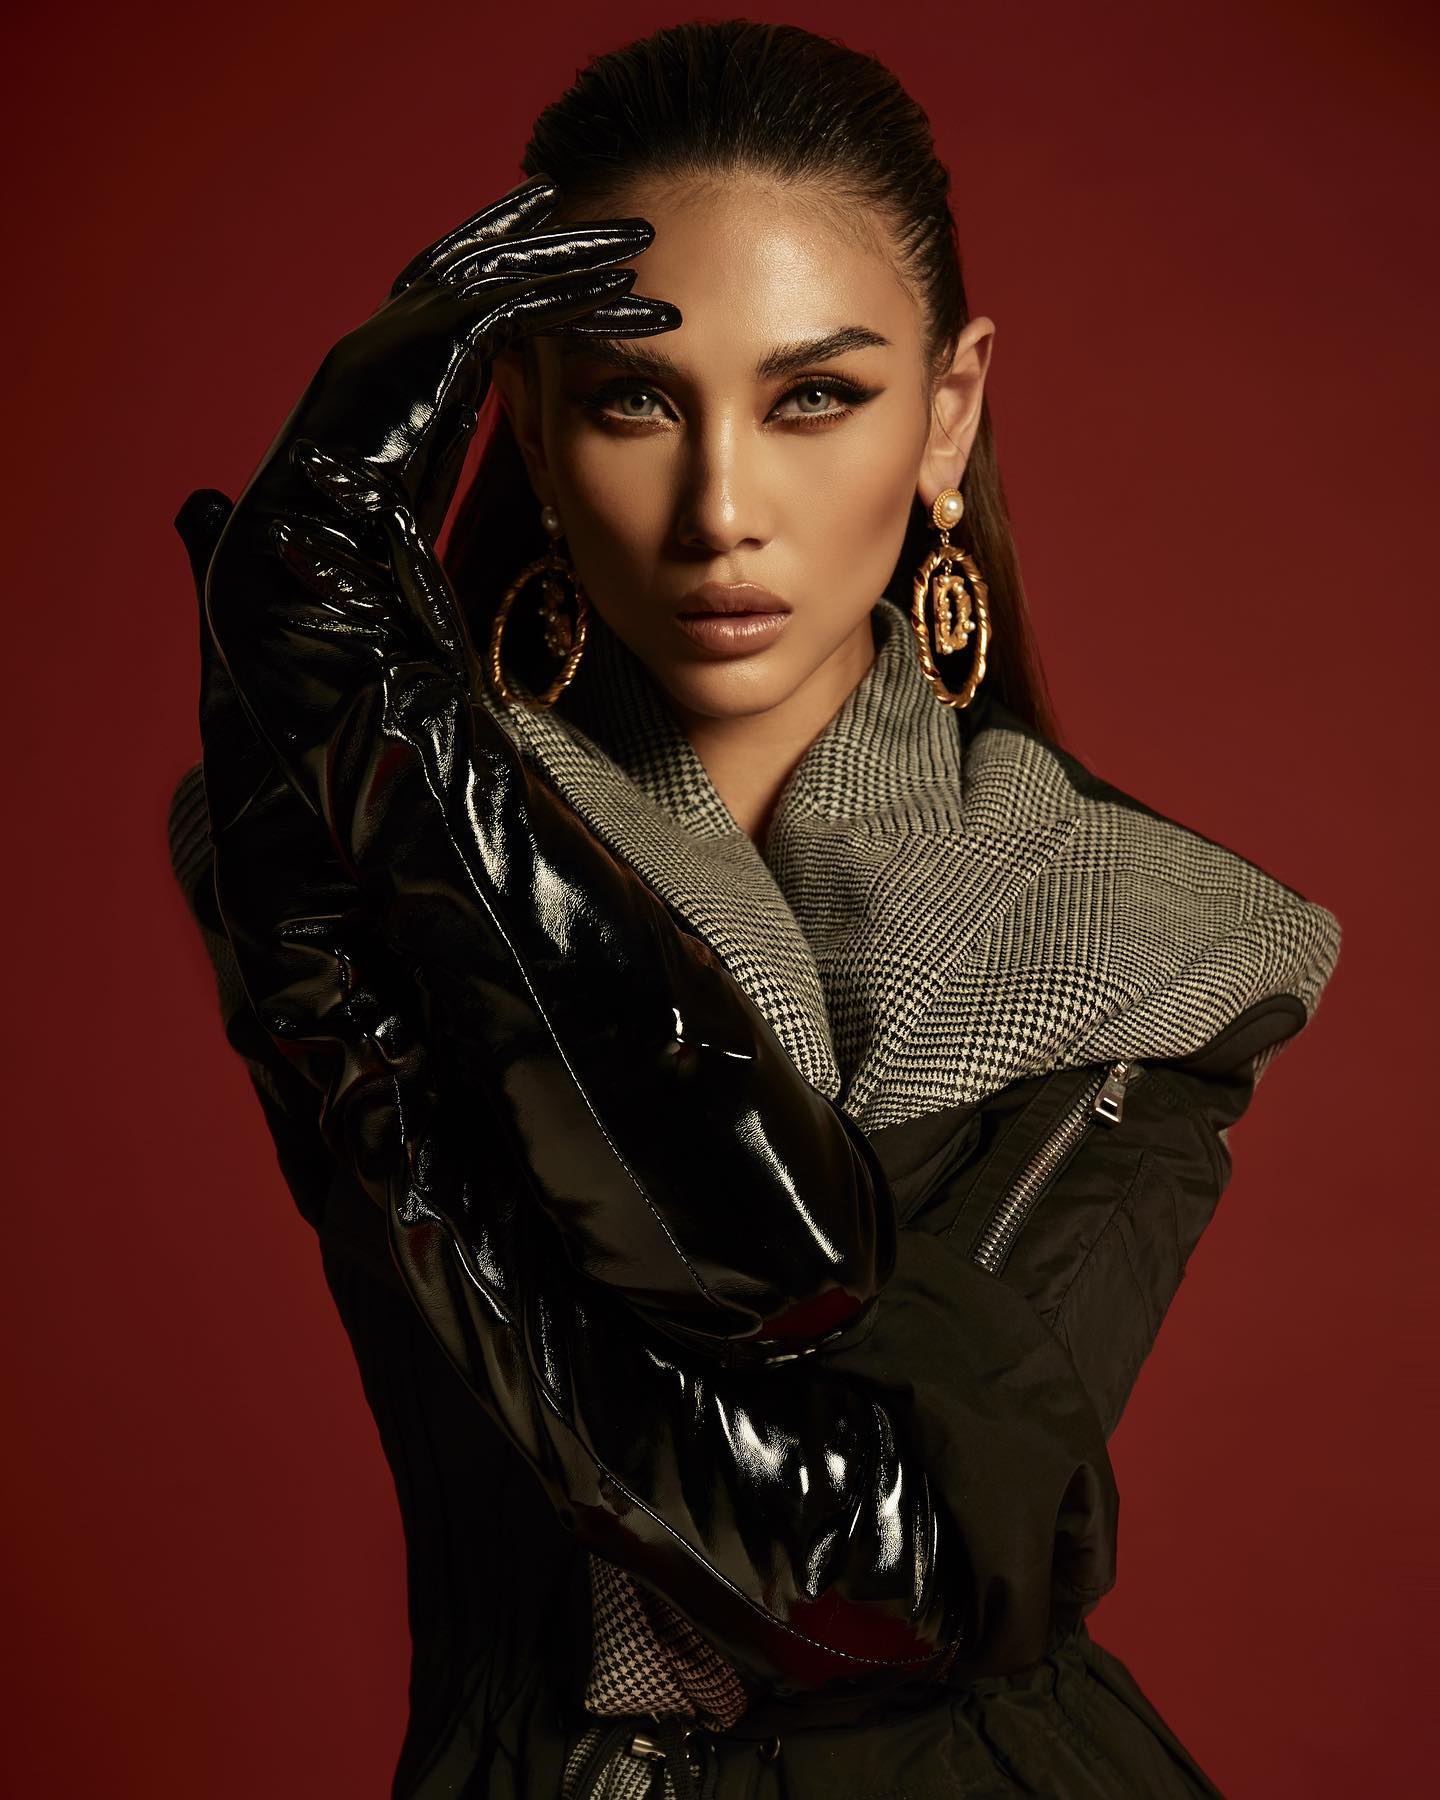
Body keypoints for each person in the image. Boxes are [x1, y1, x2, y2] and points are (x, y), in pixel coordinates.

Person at [166, 20, 1342, 1799]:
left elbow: (879, 1571)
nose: (723, 509)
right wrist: (382, 775)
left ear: (947, 413)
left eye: (815, 398)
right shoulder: (328, 825)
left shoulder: (1158, 942)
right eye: (636, 400)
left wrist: (389, 735)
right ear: (531, 428)